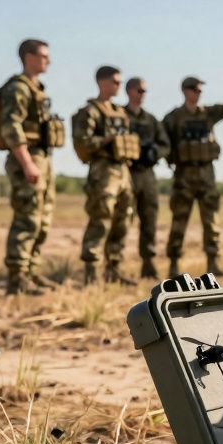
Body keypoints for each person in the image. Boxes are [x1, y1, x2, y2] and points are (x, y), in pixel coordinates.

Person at [162, 77, 223, 278]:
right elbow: (162, 141)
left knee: (211, 221)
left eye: (200, 90)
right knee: (179, 221)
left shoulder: (207, 113)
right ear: (185, 90)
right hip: (184, 175)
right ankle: (173, 266)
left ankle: (213, 264)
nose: (199, 93)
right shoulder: (173, 118)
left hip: (206, 173)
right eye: (195, 89)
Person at [1, 38, 65, 295]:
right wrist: (27, 163)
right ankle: (17, 279)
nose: (48, 61)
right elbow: (10, 126)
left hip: (43, 157)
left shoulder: (37, 88)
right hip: (27, 158)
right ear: (29, 57)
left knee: (43, 220)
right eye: (43, 56)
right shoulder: (18, 88)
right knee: (27, 219)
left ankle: (31, 272)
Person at [72, 65, 140, 285]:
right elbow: (82, 142)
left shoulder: (120, 112)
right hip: (103, 171)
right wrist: (107, 141)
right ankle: (91, 272)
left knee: (123, 219)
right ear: (102, 82)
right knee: (100, 219)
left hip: (123, 171)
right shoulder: (90, 112)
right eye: (116, 82)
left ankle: (113, 270)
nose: (119, 86)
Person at [124, 76, 171, 279]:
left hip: (147, 173)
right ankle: (114, 263)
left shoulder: (151, 120)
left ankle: (148, 265)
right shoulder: (120, 116)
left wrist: (154, 152)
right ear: (129, 91)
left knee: (150, 218)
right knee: (122, 219)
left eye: (144, 91)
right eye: (139, 90)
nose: (143, 95)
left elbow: (165, 144)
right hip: (127, 172)